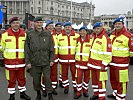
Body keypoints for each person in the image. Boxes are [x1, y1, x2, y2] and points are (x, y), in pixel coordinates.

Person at [0, 16, 31, 100]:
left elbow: (28, 48)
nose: (16, 25)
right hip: (9, 62)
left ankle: (22, 94)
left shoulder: (25, 35)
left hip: (21, 61)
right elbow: (1, 47)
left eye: (17, 23)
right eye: (14, 23)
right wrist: (5, 54)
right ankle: (12, 95)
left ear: (19, 24)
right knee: (11, 80)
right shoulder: (4, 35)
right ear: (11, 25)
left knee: (22, 79)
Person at [24, 16, 54, 100]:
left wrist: (52, 59)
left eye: (41, 22)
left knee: (47, 79)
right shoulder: (30, 34)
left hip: (46, 61)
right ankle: (38, 94)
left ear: (42, 23)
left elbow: (51, 48)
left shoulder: (47, 33)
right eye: (37, 22)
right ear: (34, 23)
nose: (39, 24)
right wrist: (28, 62)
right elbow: (27, 49)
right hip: (35, 62)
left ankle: (49, 94)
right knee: (36, 80)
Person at [107, 17, 133, 100]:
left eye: (119, 24)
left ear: (122, 24)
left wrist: (127, 58)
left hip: (122, 63)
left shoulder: (128, 35)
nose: (117, 25)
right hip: (112, 62)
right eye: (116, 24)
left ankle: (121, 97)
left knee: (121, 81)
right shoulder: (112, 34)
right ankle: (115, 93)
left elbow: (132, 50)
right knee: (113, 80)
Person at [87, 22, 112, 100]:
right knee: (94, 82)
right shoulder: (94, 37)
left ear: (102, 28)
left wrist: (104, 64)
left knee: (101, 82)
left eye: (98, 28)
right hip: (93, 64)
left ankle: (102, 97)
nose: (97, 30)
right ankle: (96, 94)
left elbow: (108, 53)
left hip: (100, 65)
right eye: (95, 29)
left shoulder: (105, 38)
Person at [58, 22, 79, 94]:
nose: (67, 28)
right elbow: (57, 48)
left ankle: (75, 87)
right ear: (64, 28)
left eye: (69, 27)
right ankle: (66, 87)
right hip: (63, 59)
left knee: (74, 74)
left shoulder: (77, 36)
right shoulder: (59, 36)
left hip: (74, 60)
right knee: (64, 74)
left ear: (71, 27)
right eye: (66, 27)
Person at [74, 26, 93, 99]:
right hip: (79, 63)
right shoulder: (77, 40)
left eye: (84, 31)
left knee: (86, 79)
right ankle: (78, 92)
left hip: (87, 64)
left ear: (86, 32)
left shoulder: (91, 40)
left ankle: (85, 91)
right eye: (81, 31)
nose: (82, 32)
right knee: (78, 78)